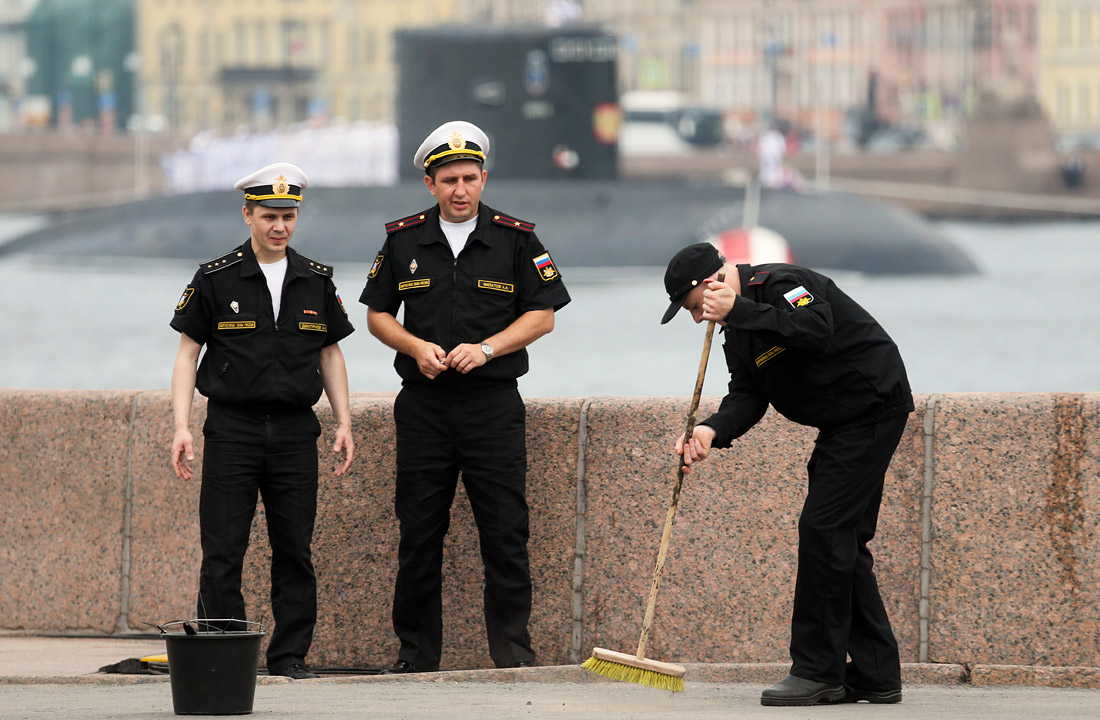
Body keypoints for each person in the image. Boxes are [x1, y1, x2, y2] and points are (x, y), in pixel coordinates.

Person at [661, 243, 913, 707]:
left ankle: (818, 672)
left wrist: (740, 309)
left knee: (824, 529)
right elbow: (748, 396)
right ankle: (877, 676)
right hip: (843, 424)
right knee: (843, 541)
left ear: (712, 282)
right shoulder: (735, 333)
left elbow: (817, 328)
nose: (698, 319)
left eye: (695, 307)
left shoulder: (780, 285)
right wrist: (709, 431)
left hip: (874, 405)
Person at [360, 120, 570, 673]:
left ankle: (512, 655)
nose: (460, 189)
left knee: (505, 534)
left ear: (483, 178)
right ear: (430, 183)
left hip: (492, 406)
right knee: (420, 534)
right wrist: (414, 345)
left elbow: (543, 315)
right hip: (424, 406)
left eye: (469, 178)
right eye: (449, 179)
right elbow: (377, 315)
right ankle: (416, 657)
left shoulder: (516, 238)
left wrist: (487, 348)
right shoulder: (404, 238)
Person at [169, 162, 355, 680]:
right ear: (248, 214)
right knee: (224, 550)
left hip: (296, 431)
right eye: (270, 215)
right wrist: (182, 426)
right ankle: (224, 655)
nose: (280, 226)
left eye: (289, 216)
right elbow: (188, 354)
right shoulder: (215, 276)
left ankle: (289, 656)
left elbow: (330, 353)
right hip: (232, 428)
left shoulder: (315, 279)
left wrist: (343, 421)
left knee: (293, 549)